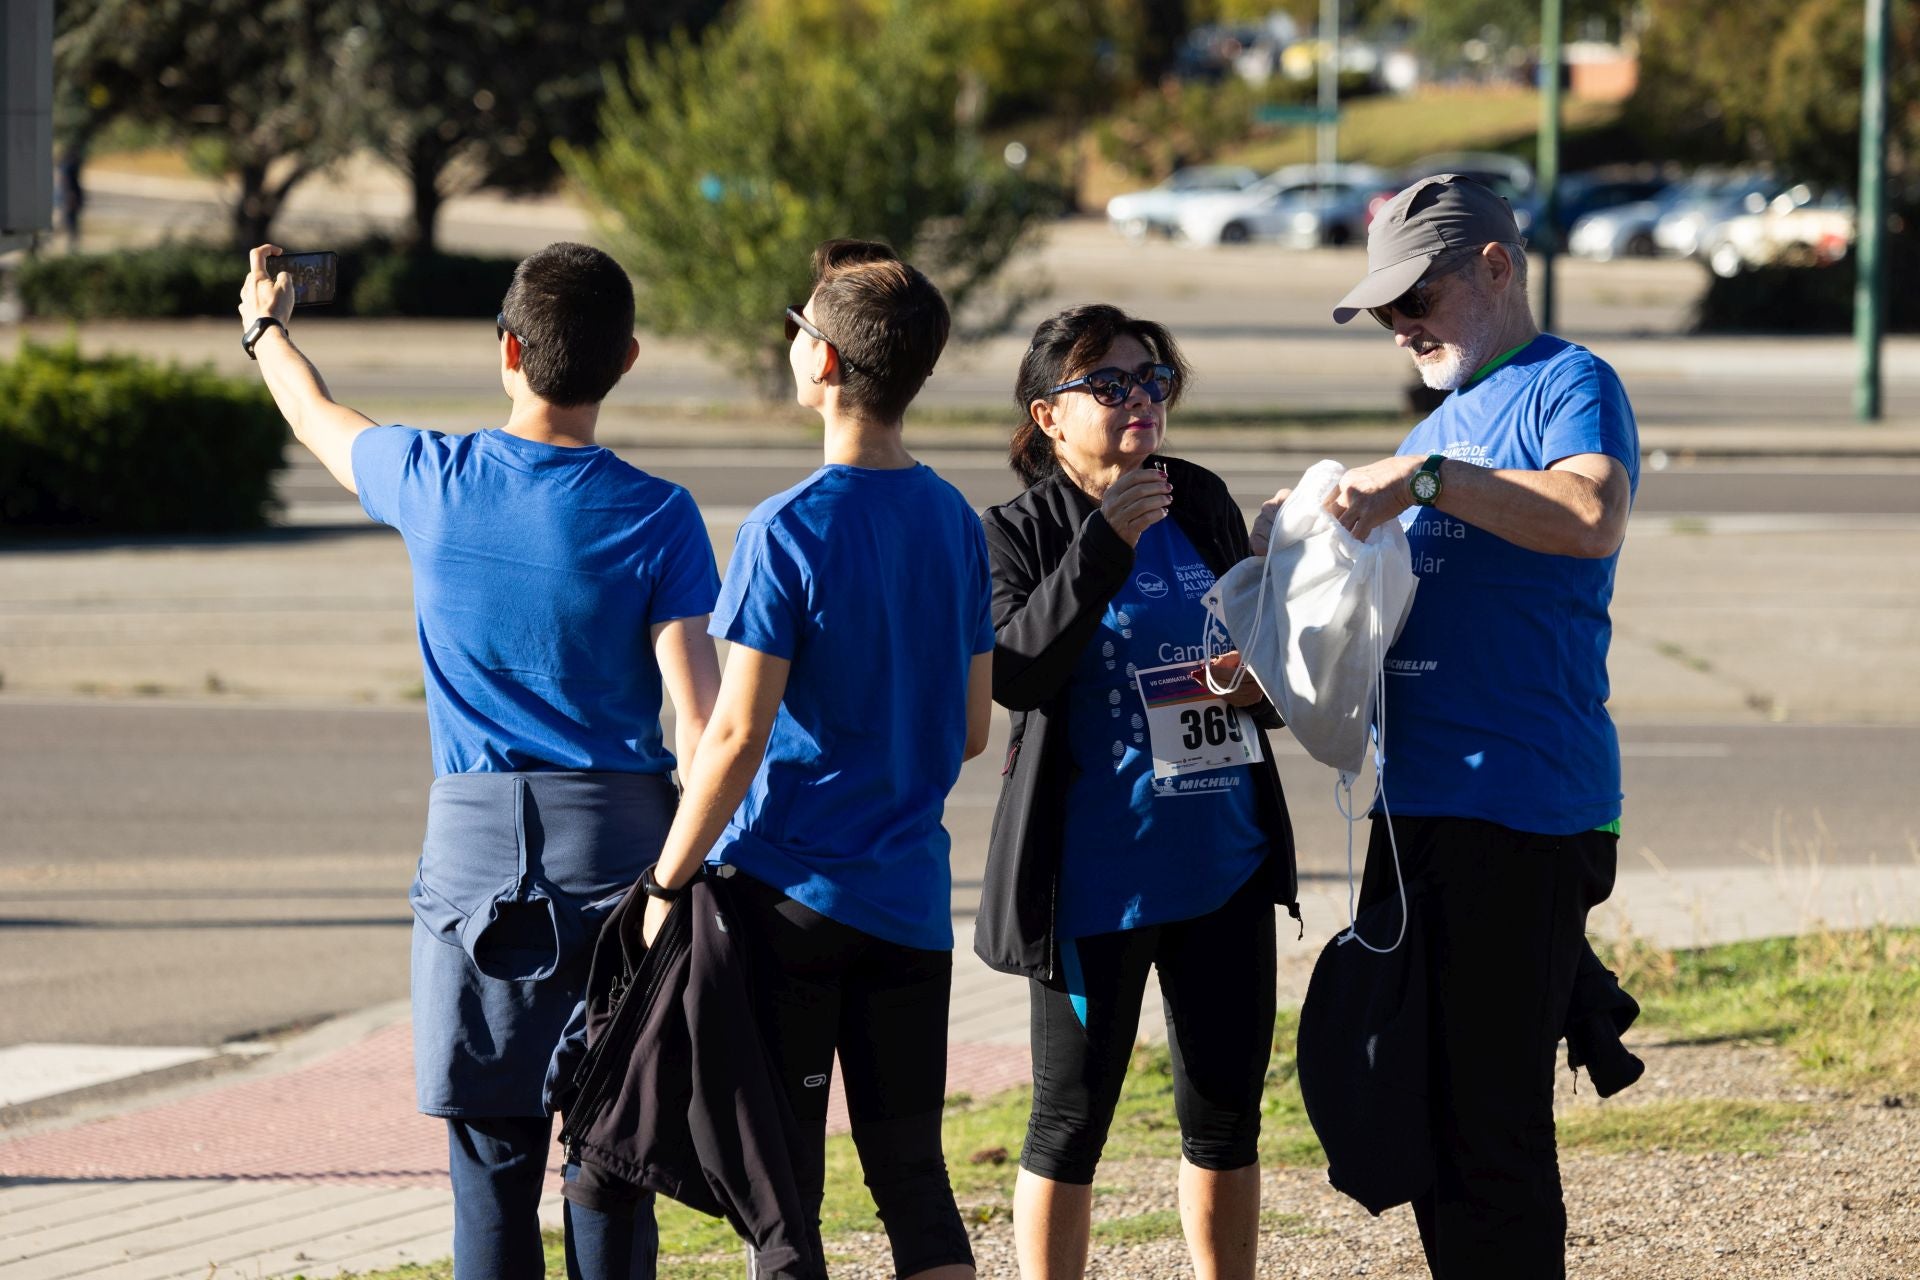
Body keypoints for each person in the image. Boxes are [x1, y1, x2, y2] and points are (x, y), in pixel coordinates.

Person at [237, 240, 722, 1280]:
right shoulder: (661, 513)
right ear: (628, 359)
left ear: (509, 350)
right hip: (626, 855)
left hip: (473, 861)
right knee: (612, 1165)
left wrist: (266, 324)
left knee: (492, 1172)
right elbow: (699, 714)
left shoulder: (433, 476)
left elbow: (316, 416)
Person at [1280, 173, 1640, 1278]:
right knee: (1411, 1110)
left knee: (1491, 1129)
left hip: (1522, 807)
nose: (1401, 327)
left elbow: (1589, 514)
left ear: (1495, 265)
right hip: (1415, 812)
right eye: (1386, 312)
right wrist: (1281, 591)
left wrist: (1428, 478)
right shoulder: (1436, 422)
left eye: (1415, 296)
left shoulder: (1565, 382)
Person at [635, 239, 992, 1280]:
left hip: (789, 898)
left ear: (827, 362)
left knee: (785, 1193)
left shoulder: (785, 527)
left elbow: (736, 736)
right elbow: (972, 728)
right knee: (914, 1181)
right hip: (912, 898)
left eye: (800, 327)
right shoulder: (954, 521)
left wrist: (667, 876)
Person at [976, 304, 1300, 1280]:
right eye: (1107, 385)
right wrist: (1104, 543)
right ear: (1048, 416)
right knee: (1069, 1121)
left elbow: (1271, 663)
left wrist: (1259, 674)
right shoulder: (1018, 530)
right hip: (1094, 878)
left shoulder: (1197, 497)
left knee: (1226, 1112)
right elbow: (1015, 674)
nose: (1138, 399)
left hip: (1221, 860)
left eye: (1150, 378)